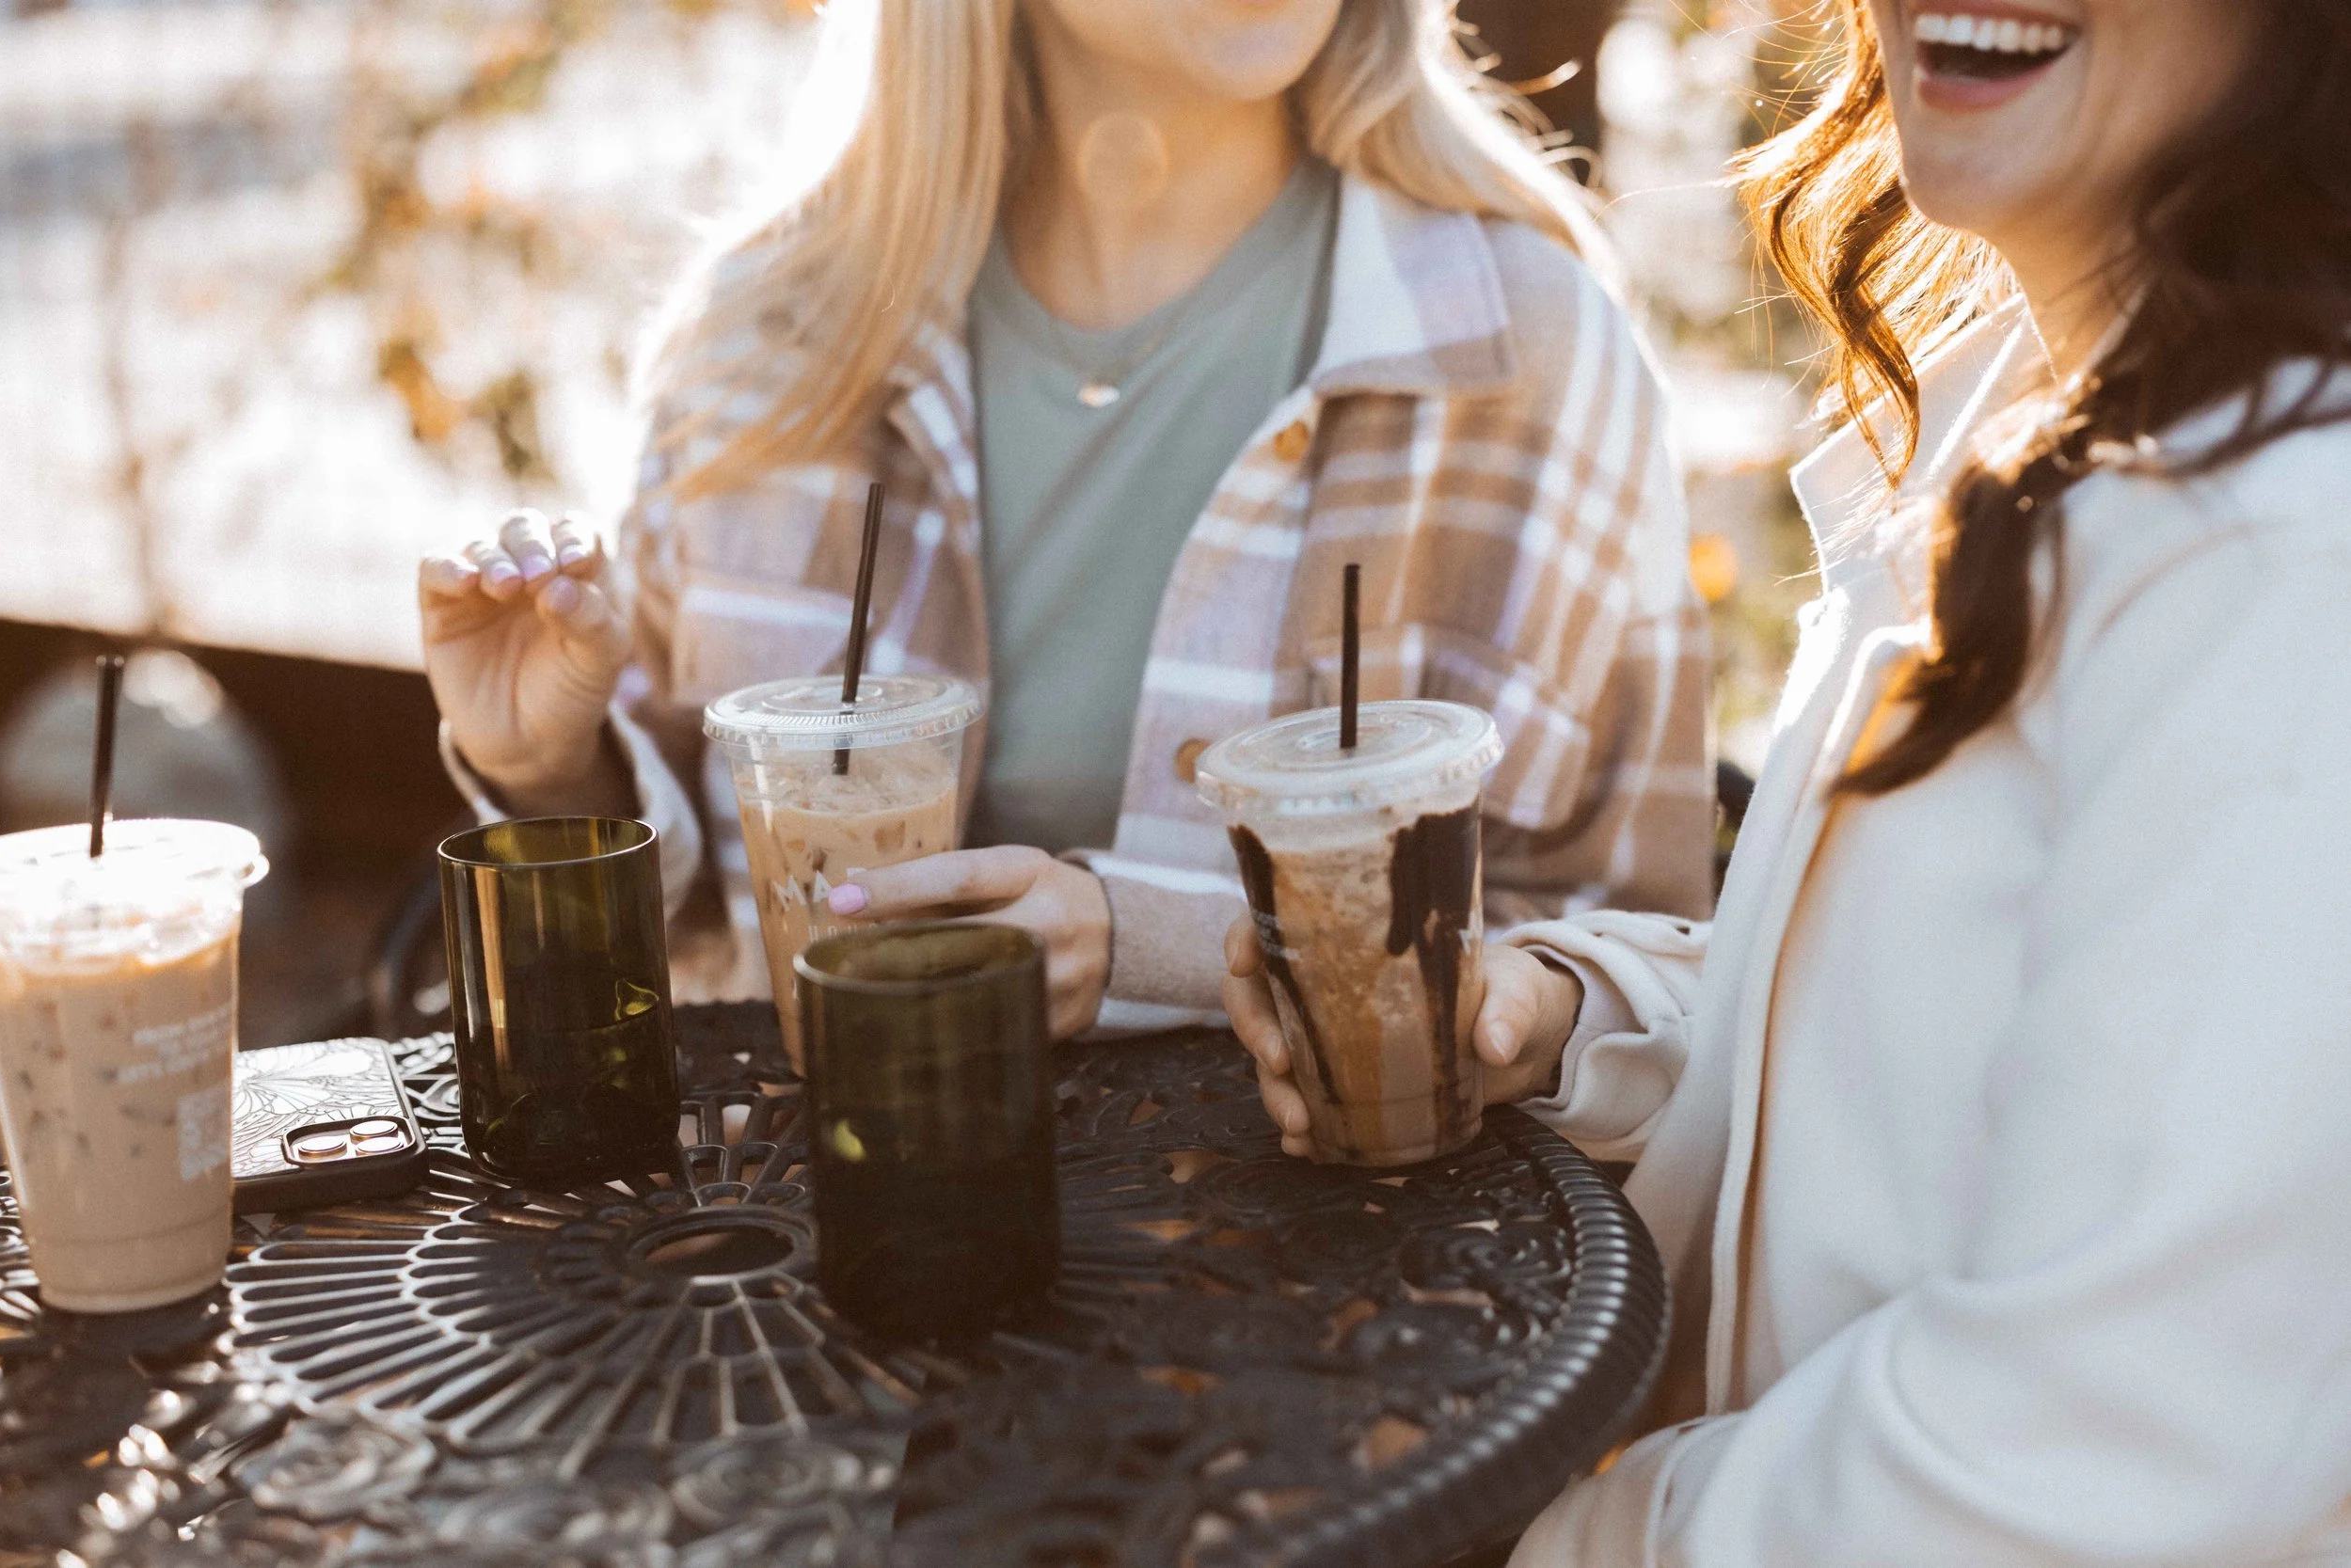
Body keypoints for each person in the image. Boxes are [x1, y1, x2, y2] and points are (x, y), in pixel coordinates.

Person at [1231, 0, 2351, 1559]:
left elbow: (2082, 1468)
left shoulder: (2286, 551)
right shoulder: (2003, 421)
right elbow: (1946, 1046)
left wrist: (1530, 1524)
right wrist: (1568, 1025)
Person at [417, 0, 1714, 1038]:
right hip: (812, 1298)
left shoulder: (1528, 354)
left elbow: (1645, 970)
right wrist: (554, 773)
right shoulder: (758, 348)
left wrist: (1149, 945)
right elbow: (696, 936)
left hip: (1339, 1315)